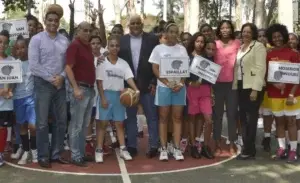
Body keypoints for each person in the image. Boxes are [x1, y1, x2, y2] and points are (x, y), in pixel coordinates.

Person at [28, 4, 69, 168]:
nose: (53, 23)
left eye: (56, 20)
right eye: (50, 20)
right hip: (43, 84)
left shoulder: (64, 41)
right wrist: (52, 79)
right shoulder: (36, 39)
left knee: (62, 121)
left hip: (60, 85)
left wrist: (62, 77)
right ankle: (43, 155)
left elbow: (68, 64)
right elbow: (34, 65)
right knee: (43, 122)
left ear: (59, 22)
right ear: (45, 21)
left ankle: (56, 153)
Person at [118, 14, 159, 158]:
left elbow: (157, 62)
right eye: (133, 23)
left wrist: (154, 81)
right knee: (130, 118)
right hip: (128, 86)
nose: (135, 25)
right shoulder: (121, 40)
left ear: (142, 24)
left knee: (152, 116)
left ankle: (154, 145)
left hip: (148, 85)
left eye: (138, 23)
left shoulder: (153, 39)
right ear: (129, 25)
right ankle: (132, 146)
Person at [95, 35, 140, 163]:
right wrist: (103, 98)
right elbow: (99, 82)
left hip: (119, 96)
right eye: (112, 45)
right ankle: (98, 150)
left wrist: (136, 89)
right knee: (103, 124)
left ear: (119, 47)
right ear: (108, 47)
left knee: (120, 124)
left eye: (117, 46)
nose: (114, 48)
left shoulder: (123, 63)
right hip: (106, 95)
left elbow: (129, 78)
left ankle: (123, 149)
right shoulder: (102, 62)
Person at [149, 21, 189, 161]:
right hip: (164, 88)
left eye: (175, 31)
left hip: (179, 88)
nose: (173, 34)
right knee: (164, 118)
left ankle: (177, 148)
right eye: (170, 31)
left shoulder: (182, 49)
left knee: (177, 118)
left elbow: (185, 69)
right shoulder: (158, 49)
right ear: (165, 33)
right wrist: (167, 83)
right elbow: (155, 68)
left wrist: (180, 83)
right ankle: (164, 148)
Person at [265, 24, 300, 163]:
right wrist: (274, 84)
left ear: (284, 36)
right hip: (275, 94)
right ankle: (281, 148)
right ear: (271, 39)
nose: (277, 39)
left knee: (291, 122)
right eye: (274, 37)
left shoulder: (294, 54)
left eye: (279, 36)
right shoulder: (269, 55)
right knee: (279, 123)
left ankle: (292, 150)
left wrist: (291, 94)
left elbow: (298, 76)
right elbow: (266, 75)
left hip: (292, 94)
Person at [232, 23, 266, 160]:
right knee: (243, 119)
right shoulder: (240, 48)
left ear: (253, 33)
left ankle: (249, 149)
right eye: (243, 31)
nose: (245, 34)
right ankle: (247, 147)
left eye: (248, 32)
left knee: (250, 119)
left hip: (253, 87)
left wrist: (255, 90)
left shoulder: (258, 46)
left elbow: (260, 68)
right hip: (241, 85)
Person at [65, 22, 96, 167]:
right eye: (85, 30)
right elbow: (68, 68)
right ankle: (75, 155)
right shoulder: (74, 45)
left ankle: (81, 153)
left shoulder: (87, 46)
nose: (88, 33)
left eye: (90, 31)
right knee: (76, 125)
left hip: (89, 89)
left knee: (84, 124)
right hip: (80, 89)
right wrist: (75, 88)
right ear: (78, 30)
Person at [186, 35, 216, 159]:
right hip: (192, 90)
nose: (200, 44)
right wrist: (190, 83)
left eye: (202, 42)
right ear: (193, 42)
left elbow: (212, 75)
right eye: (197, 41)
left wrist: (212, 93)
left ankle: (205, 145)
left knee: (208, 119)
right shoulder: (187, 57)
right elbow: (182, 75)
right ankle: (193, 145)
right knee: (193, 118)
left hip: (205, 91)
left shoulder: (208, 57)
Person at [213, 20, 240, 155]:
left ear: (231, 29)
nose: (225, 30)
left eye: (228, 27)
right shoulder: (214, 44)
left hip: (232, 84)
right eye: (222, 28)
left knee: (232, 114)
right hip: (216, 84)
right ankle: (217, 144)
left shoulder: (237, 43)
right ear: (219, 30)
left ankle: (232, 143)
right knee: (217, 115)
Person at [9, 36, 38, 165]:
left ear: (27, 48)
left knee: (33, 126)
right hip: (18, 98)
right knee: (22, 125)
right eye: (17, 48)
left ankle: (34, 150)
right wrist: (9, 90)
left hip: (31, 98)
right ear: (14, 50)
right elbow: (12, 83)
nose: (20, 50)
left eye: (23, 47)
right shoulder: (14, 64)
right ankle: (26, 151)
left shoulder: (33, 62)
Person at [0, 30, 15, 167]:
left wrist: (10, 90)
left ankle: (0, 153)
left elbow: (15, 81)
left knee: (2, 129)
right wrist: (1, 91)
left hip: (5, 104)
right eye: (0, 42)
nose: (2, 45)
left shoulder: (12, 61)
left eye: (5, 43)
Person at [258, 28, 274, 152]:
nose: (262, 38)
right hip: (260, 87)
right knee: (265, 114)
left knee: (273, 114)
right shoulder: (253, 50)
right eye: (259, 36)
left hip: (274, 88)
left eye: (264, 35)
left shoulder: (272, 51)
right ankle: (267, 137)